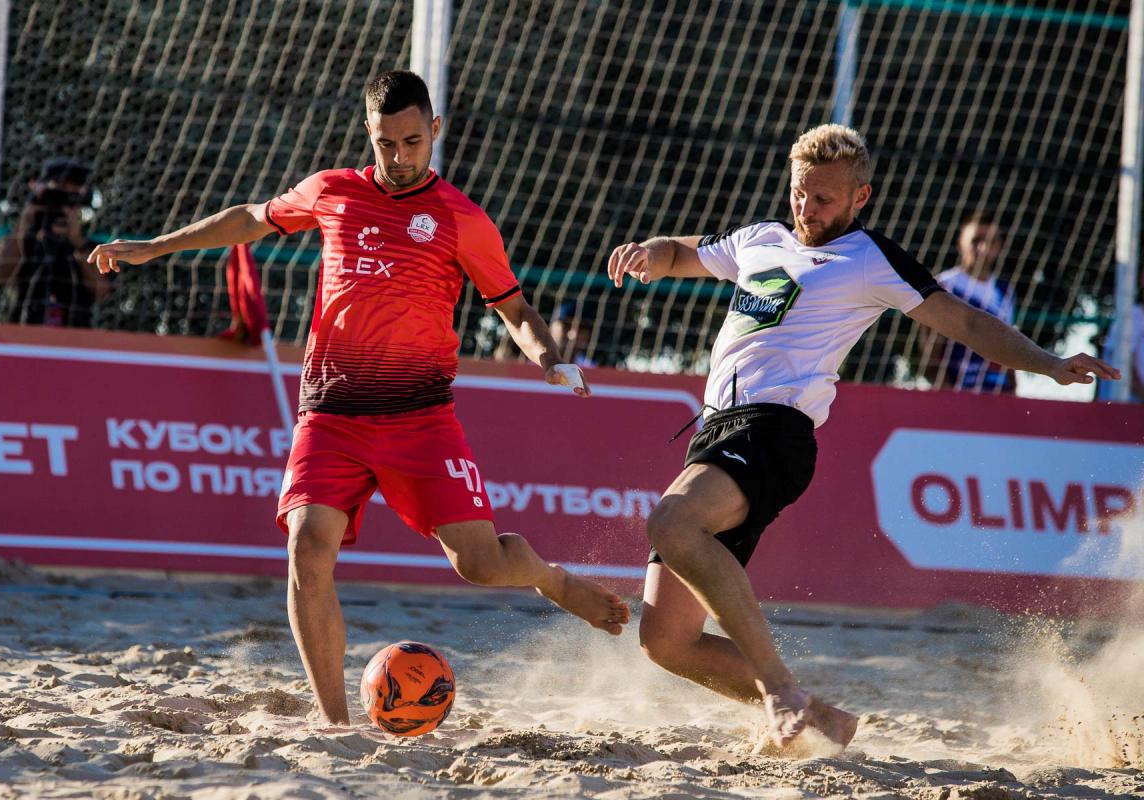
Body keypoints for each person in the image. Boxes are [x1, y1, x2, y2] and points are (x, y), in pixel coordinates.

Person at [89, 70, 630, 726]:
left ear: (435, 130)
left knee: (482, 564)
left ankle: (552, 578)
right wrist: (156, 246)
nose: (399, 157)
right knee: (307, 547)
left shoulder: (462, 219)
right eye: (384, 143)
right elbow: (252, 218)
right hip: (330, 415)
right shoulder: (332, 190)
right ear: (367, 134)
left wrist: (549, 359)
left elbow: (513, 308)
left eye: (411, 141)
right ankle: (336, 724)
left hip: (420, 418)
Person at [606, 124, 1119, 752]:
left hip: (773, 429)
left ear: (860, 196)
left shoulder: (869, 258)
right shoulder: (760, 240)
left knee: (671, 522)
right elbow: (682, 252)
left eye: (823, 198)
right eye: (799, 193)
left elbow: (964, 322)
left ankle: (781, 690)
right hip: (717, 430)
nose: (807, 208)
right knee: (667, 642)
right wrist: (649, 251)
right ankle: (823, 719)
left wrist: (1048, 363)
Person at [0, 158, 109, 327]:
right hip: (24, 327)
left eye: (72, 190)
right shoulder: (24, 240)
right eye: (60, 187)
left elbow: (101, 290)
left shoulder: (89, 246)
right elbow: (1, 276)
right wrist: (24, 223)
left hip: (74, 330)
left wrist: (76, 240)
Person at [920, 210, 1017, 393]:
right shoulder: (944, 285)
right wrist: (947, 393)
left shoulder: (1006, 292)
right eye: (976, 241)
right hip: (959, 392)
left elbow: (1010, 345)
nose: (983, 248)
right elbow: (931, 352)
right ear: (960, 242)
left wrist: (1013, 391)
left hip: (999, 392)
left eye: (991, 242)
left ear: (999, 246)